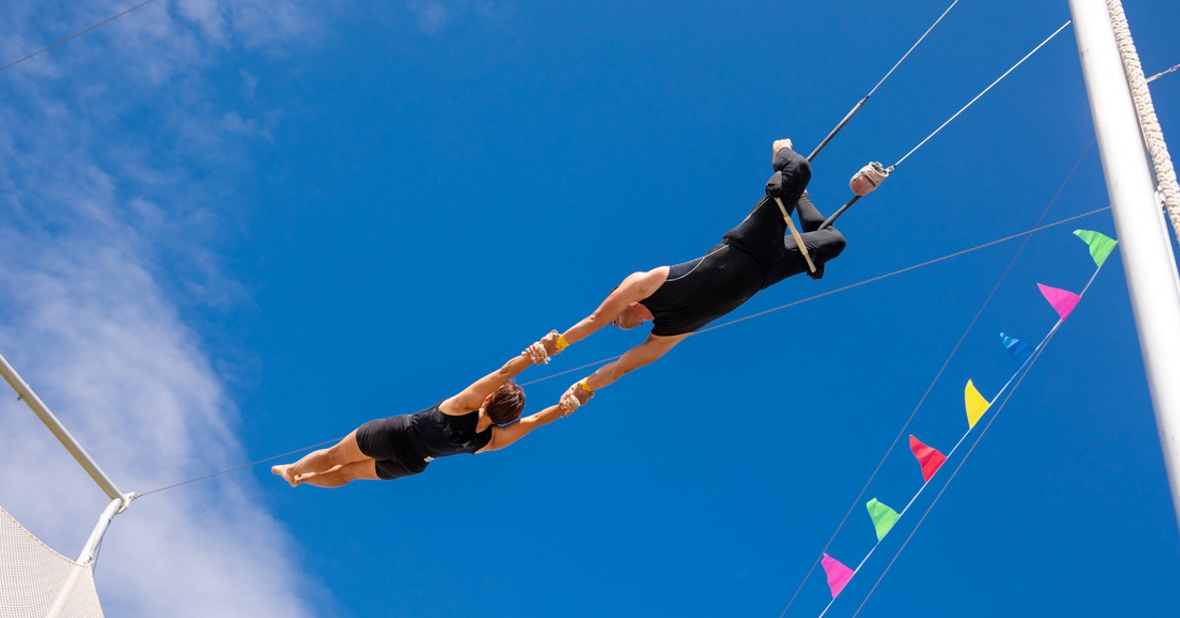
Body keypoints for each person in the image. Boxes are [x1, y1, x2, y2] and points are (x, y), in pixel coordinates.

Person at [529, 139, 847, 413]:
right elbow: (618, 369)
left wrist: (557, 344)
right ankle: (800, 197)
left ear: (623, 299)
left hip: (749, 243)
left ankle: (781, 150)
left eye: (615, 308)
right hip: (769, 271)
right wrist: (584, 387)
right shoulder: (665, 335)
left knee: (800, 169)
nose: (614, 321)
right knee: (834, 242)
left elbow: (597, 318)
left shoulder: (647, 283)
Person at [273, 332, 566, 487]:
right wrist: (569, 405)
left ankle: (294, 470)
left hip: (394, 435)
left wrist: (538, 351)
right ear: (509, 417)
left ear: (489, 399)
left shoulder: (464, 405)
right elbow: (536, 420)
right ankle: (303, 482)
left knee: (333, 456)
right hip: (411, 464)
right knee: (347, 475)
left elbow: (503, 372)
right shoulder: (490, 440)